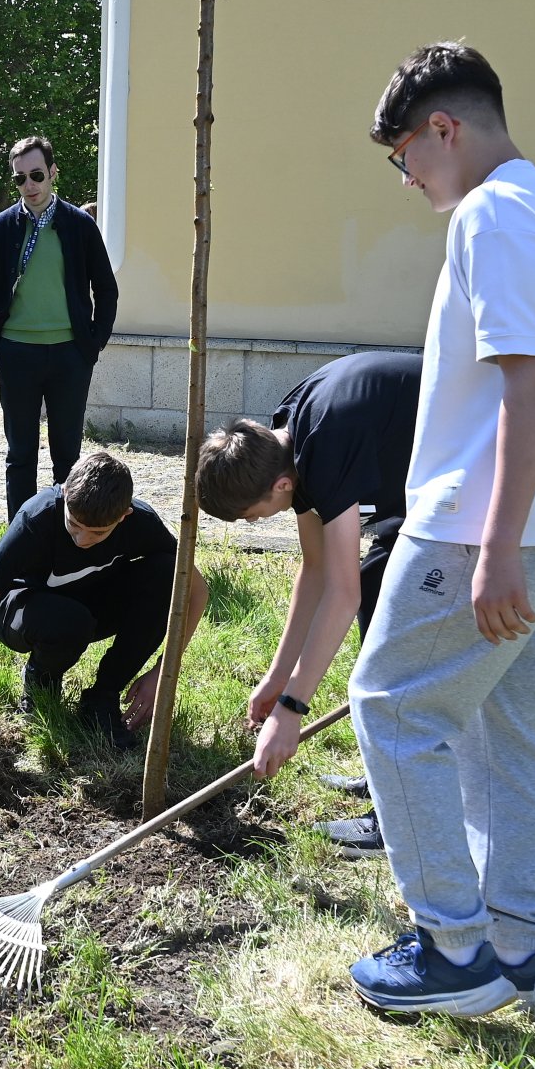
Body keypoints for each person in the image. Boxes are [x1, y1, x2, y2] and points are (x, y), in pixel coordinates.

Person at [321, 42, 535, 1018]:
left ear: (444, 127)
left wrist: (493, 545)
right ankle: (518, 946)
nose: (407, 180)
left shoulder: (494, 214)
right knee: (503, 719)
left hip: (480, 527)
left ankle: (453, 949)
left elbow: (533, 379)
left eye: (405, 156)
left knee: (391, 706)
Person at [196, 350, 424, 857]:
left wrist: (293, 709)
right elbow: (316, 569)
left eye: (252, 515)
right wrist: (278, 680)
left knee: (390, 640)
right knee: (378, 598)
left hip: (471, 478)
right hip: (413, 490)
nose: (256, 524)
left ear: (279, 486)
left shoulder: (323, 447)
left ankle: (397, 819)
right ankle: (386, 775)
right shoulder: (284, 436)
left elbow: (343, 593)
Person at [0, 450, 208, 751]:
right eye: (74, 525)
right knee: (69, 621)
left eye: (97, 533)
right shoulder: (36, 519)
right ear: (64, 493)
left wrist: (164, 671)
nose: (81, 539)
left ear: (124, 516)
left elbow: (198, 591)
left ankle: (102, 699)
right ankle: (41, 683)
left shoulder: (141, 523)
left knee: (167, 573)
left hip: (87, 604)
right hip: (22, 608)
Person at [0, 136, 120, 518]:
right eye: (20, 178)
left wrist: (93, 343)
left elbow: (106, 288)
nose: (30, 185)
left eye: (37, 175)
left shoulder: (79, 225)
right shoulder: (1, 227)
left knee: (67, 455)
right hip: (16, 353)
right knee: (20, 453)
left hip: (70, 355)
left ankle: (64, 530)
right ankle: (20, 537)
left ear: (53, 173)